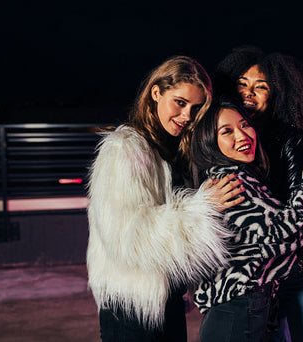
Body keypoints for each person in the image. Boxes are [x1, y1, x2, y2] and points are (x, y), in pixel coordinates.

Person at [86, 56, 246, 341]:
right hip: (132, 304)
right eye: (180, 103)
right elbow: (128, 235)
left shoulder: (173, 148)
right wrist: (201, 208)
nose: (187, 116)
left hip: (166, 299)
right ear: (156, 93)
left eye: (196, 108)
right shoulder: (124, 149)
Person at [215, 46, 303, 342]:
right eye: (242, 84)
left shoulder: (290, 140)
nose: (249, 92)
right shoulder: (220, 143)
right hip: (261, 278)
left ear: (276, 95)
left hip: (302, 268)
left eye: (261, 87)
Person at [190, 98, 303, 342]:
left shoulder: (236, 175)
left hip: (241, 306)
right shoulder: (230, 182)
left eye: (244, 125)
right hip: (236, 309)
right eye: (227, 131)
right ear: (209, 142)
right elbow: (288, 232)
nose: (242, 136)